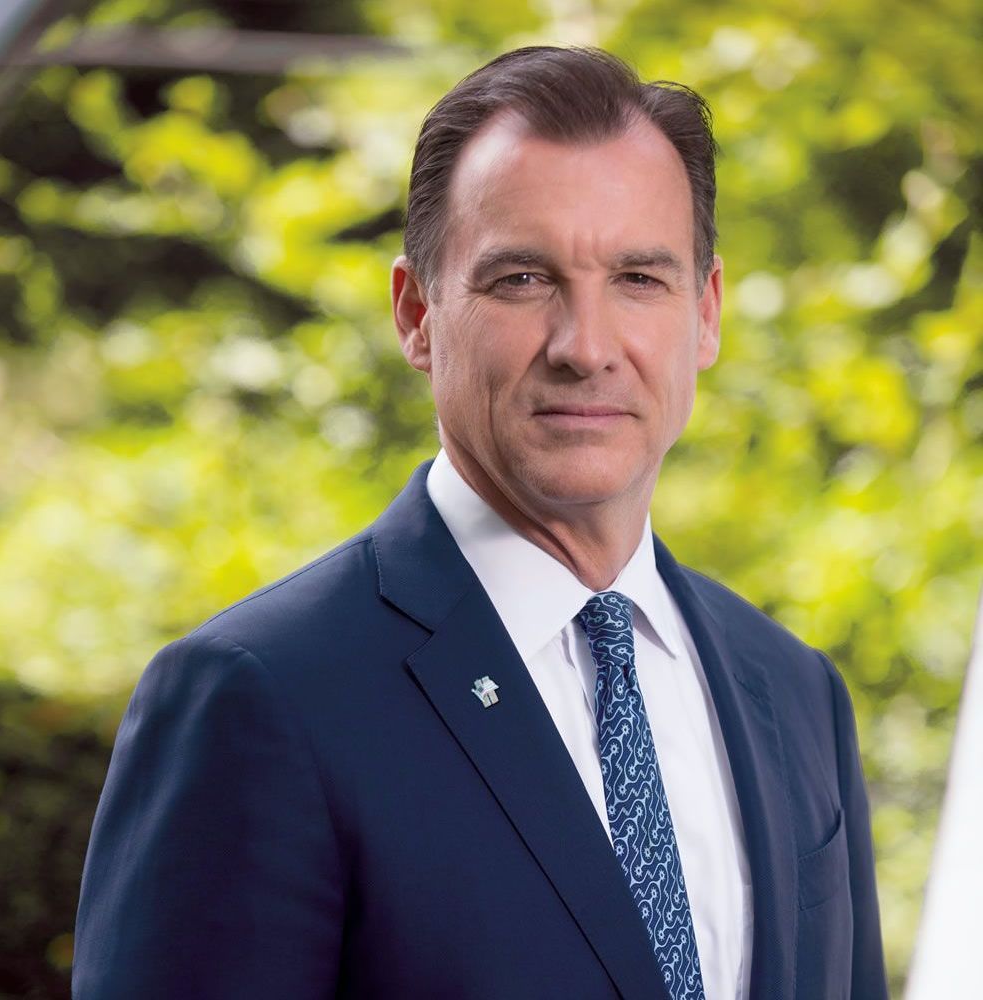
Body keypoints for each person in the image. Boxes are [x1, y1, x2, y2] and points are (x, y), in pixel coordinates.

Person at [72, 46, 888, 999]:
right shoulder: (260, 698)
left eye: (638, 278)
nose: (586, 349)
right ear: (418, 315)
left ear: (704, 315)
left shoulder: (794, 693)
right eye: (522, 280)